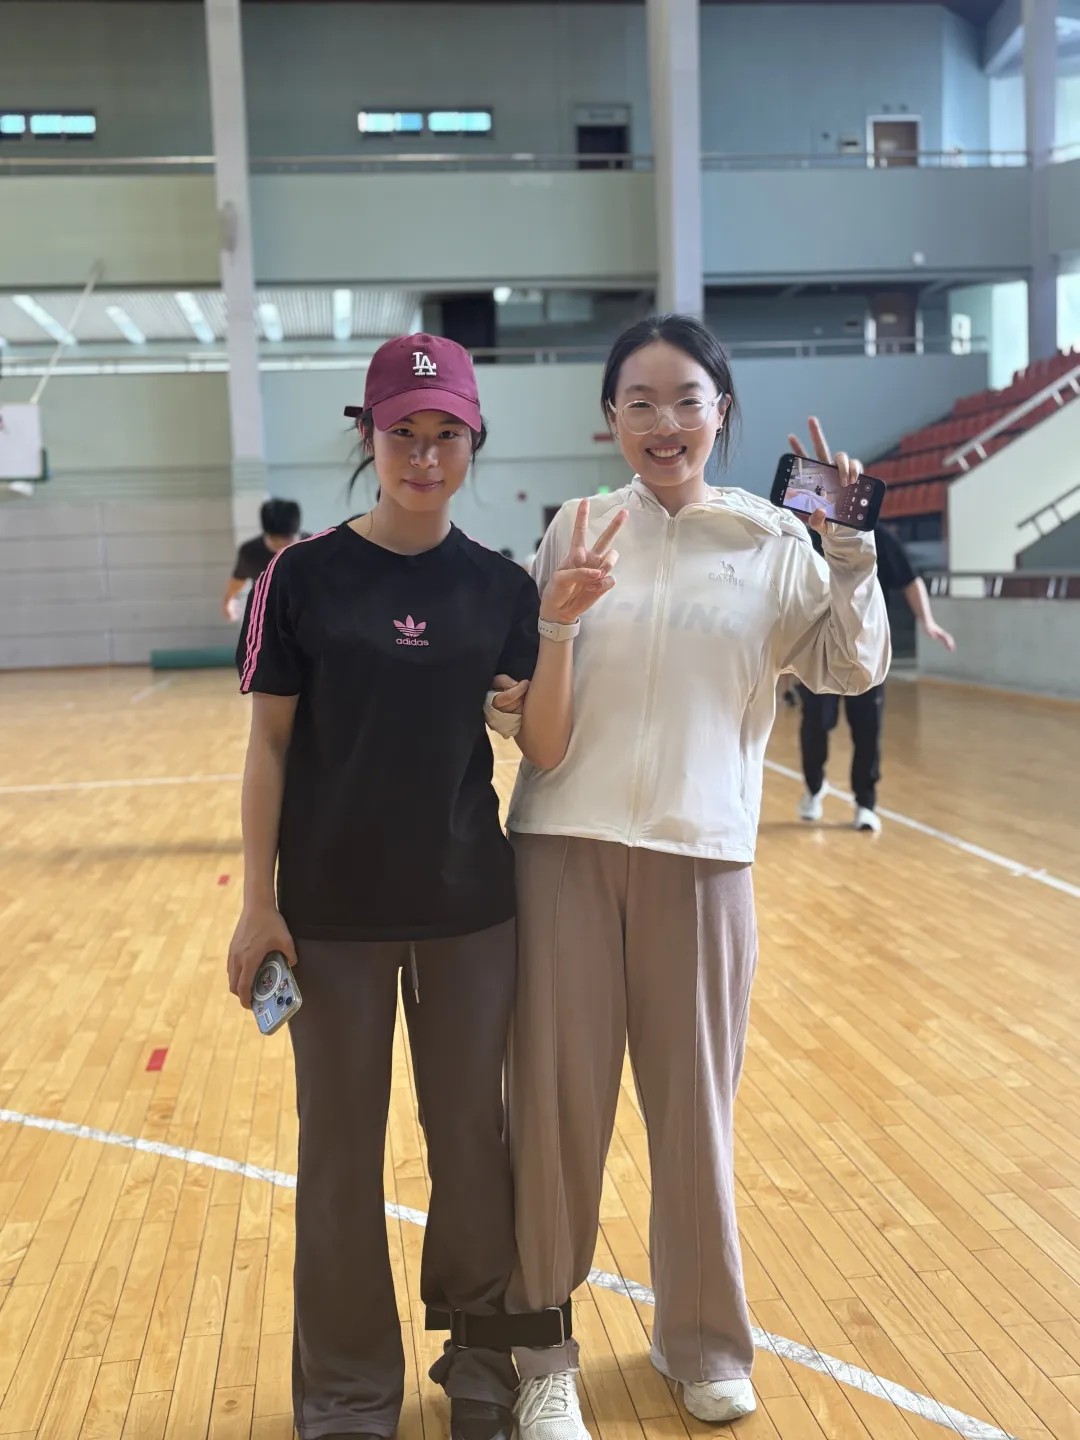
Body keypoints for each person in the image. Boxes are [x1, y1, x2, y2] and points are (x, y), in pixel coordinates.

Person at [226, 333, 622, 1440]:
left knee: (472, 1144)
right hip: (332, 920)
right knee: (338, 1158)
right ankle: (348, 1389)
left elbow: (541, 740)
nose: (426, 454)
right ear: (370, 435)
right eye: (404, 432)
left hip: (469, 913)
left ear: (473, 441)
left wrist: (558, 629)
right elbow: (268, 747)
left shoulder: (498, 587)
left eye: (448, 433)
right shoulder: (302, 578)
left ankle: (480, 1360)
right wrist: (258, 902)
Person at [501, 314, 890, 1438]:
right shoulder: (578, 526)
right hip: (562, 852)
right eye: (639, 402)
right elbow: (527, 688)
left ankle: (703, 1341)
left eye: (686, 400)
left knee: (694, 1120)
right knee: (556, 1118)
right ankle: (542, 1356)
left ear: (723, 412)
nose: (663, 422)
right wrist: (520, 678)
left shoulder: (772, 542)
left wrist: (850, 550)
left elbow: (850, 665)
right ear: (610, 418)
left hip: (706, 861)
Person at [791, 445, 956, 833]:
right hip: (820, 648)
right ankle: (813, 788)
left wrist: (928, 621)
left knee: (867, 730)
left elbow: (910, 580)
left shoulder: (879, 537)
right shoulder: (807, 536)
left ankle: (866, 803)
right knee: (815, 725)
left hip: (866, 652)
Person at [222, 498, 304, 620]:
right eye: (276, 543)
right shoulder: (250, 552)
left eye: (288, 542)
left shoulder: (314, 548)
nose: (282, 548)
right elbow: (238, 580)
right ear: (267, 536)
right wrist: (229, 600)